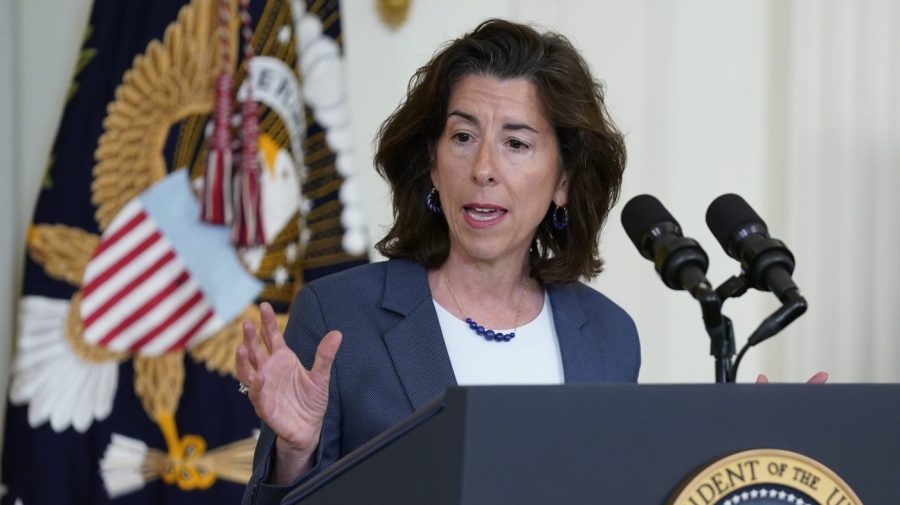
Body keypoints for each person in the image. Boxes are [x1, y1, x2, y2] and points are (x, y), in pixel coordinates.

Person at [237, 19, 639, 505]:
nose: (483, 169)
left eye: (516, 143)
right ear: (432, 163)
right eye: (463, 137)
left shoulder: (607, 335)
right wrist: (295, 453)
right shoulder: (339, 318)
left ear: (564, 182)